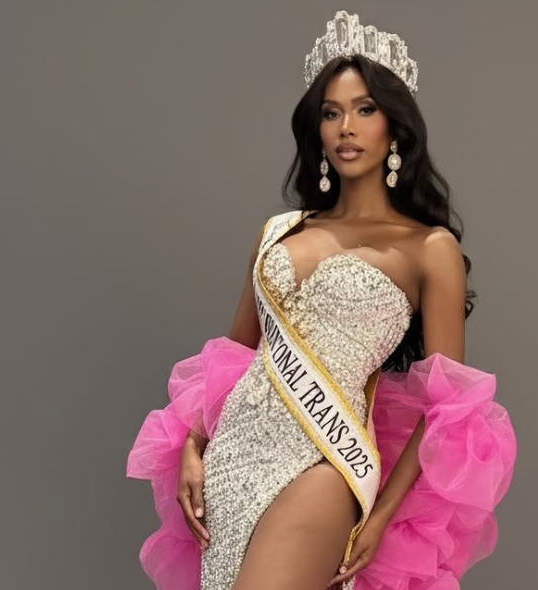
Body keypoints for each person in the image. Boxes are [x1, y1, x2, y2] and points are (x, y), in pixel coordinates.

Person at [127, 11, 517, 590]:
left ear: (395, 127)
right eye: (331, 113)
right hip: (233, 457)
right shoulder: (279, 231)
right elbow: (235, 353)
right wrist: (193, 442)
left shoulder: (429, 248)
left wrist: (380, 517)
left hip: (327, 458)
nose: (345, 128)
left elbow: (449, 406)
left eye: (365, 109)